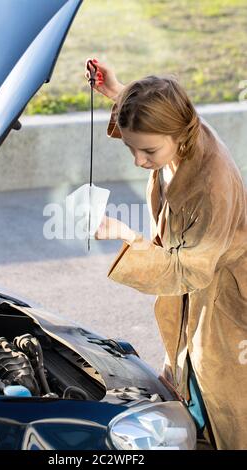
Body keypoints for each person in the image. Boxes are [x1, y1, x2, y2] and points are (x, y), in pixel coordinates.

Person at [85, 58, 247, 450]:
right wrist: (117, 92)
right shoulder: (182, 129)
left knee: (222, 389)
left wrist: (126, 236)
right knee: (187, 373)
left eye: (148, 151)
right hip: (200, 288)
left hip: (223, 295)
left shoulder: (212, 186)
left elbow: (188, 270)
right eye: (131, 149)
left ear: (176, 134)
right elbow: (156, 113)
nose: (139, 161)